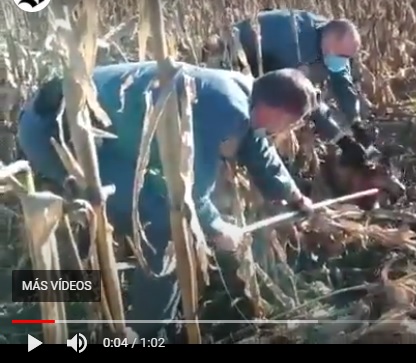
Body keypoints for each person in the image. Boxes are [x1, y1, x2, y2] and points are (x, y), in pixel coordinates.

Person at [17, 62, 319, 339]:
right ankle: (147, 334)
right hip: (55, 135)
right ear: (278, 112)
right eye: (291, 123)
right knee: (167, 223)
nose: (288, 131)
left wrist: (293, 195)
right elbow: (182, 191)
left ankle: (146, 314)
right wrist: (216, 227)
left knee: (167, 216)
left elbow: (257, 148)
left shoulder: (246, 91)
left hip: (98, 135)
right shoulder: (226, 108)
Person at [204, 9, 374, 168]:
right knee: (258, 121)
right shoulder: (295, 44)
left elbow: (342, 81)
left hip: (273, 64)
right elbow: (303, 99)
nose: (344, 62)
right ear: (328, 45)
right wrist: (341, 139)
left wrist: (356, 122)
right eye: (342, 57)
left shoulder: (333, 42)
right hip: (237, 59)